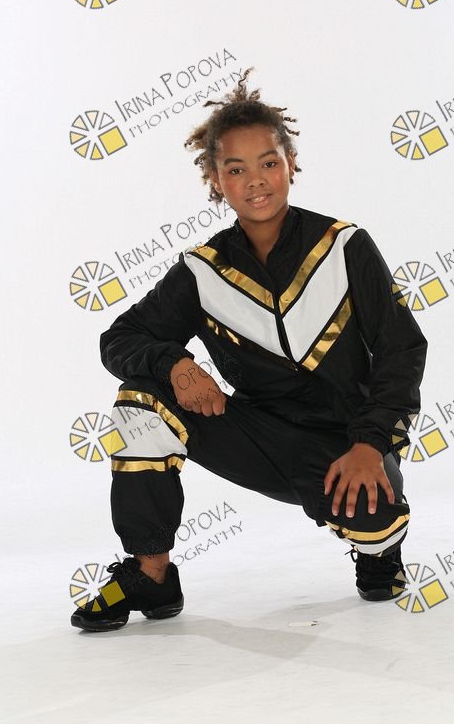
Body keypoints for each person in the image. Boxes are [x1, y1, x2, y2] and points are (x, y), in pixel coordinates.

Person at [71, 71, 427, 632]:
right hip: (257, 435)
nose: (255, 180)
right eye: (235, 169)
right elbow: (119, 338)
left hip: (346, 442)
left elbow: (401, 350)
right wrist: (176, 364)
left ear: (291, 164)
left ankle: (379, 552)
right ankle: (151, 574)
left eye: (268, 162)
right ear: (215, 180)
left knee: (374, 517)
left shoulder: (344, 246)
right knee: (140, 402)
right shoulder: (203, 270)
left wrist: (370, 442)